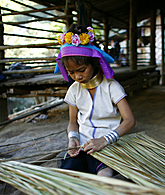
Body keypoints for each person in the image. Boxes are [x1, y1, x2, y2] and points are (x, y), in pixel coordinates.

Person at [54, 24, 136, 177]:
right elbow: (73, 122)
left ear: (94, 63)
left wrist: (105, 140)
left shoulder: (112, 87)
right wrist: (73, 138)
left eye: (81, 70)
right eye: (71, 72)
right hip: (83, 145)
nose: (77, 77)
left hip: (109, 145)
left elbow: (130, 120)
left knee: (104, 176)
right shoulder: (74, 89)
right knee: (65, 174)